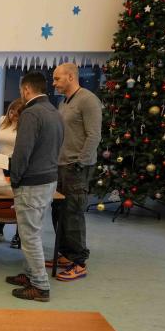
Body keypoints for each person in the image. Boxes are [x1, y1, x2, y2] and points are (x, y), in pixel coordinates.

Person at [6, 72, 65, 302]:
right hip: (49, 178)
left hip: (32, 182)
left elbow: (22, 153)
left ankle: (40, 286)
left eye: (21, 90)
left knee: (29, 235)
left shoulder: (31, 114)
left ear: (26, 90)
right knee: (33, 231)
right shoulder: (54, 111)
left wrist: (14, 179)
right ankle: (30, 275)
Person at [52, 62, 102, 281]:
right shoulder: (64, 102)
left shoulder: (88, 100)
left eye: (57, 78)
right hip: (61, 166)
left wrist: (80, 162)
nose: (54, 83)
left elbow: (94, 136)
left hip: (76, 168)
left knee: (73, 214)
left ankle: (79, 262)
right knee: (58, 211)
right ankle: (65, 254)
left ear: (71, 77)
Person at [0, 97, 24, 246]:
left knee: (18, 198)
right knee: (4, 196)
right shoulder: (2, 120)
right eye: (11, 112)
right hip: (2, 162)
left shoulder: (25, 126)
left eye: (16, 114)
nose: (12, 116)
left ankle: (19, 234)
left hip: (17, 163)